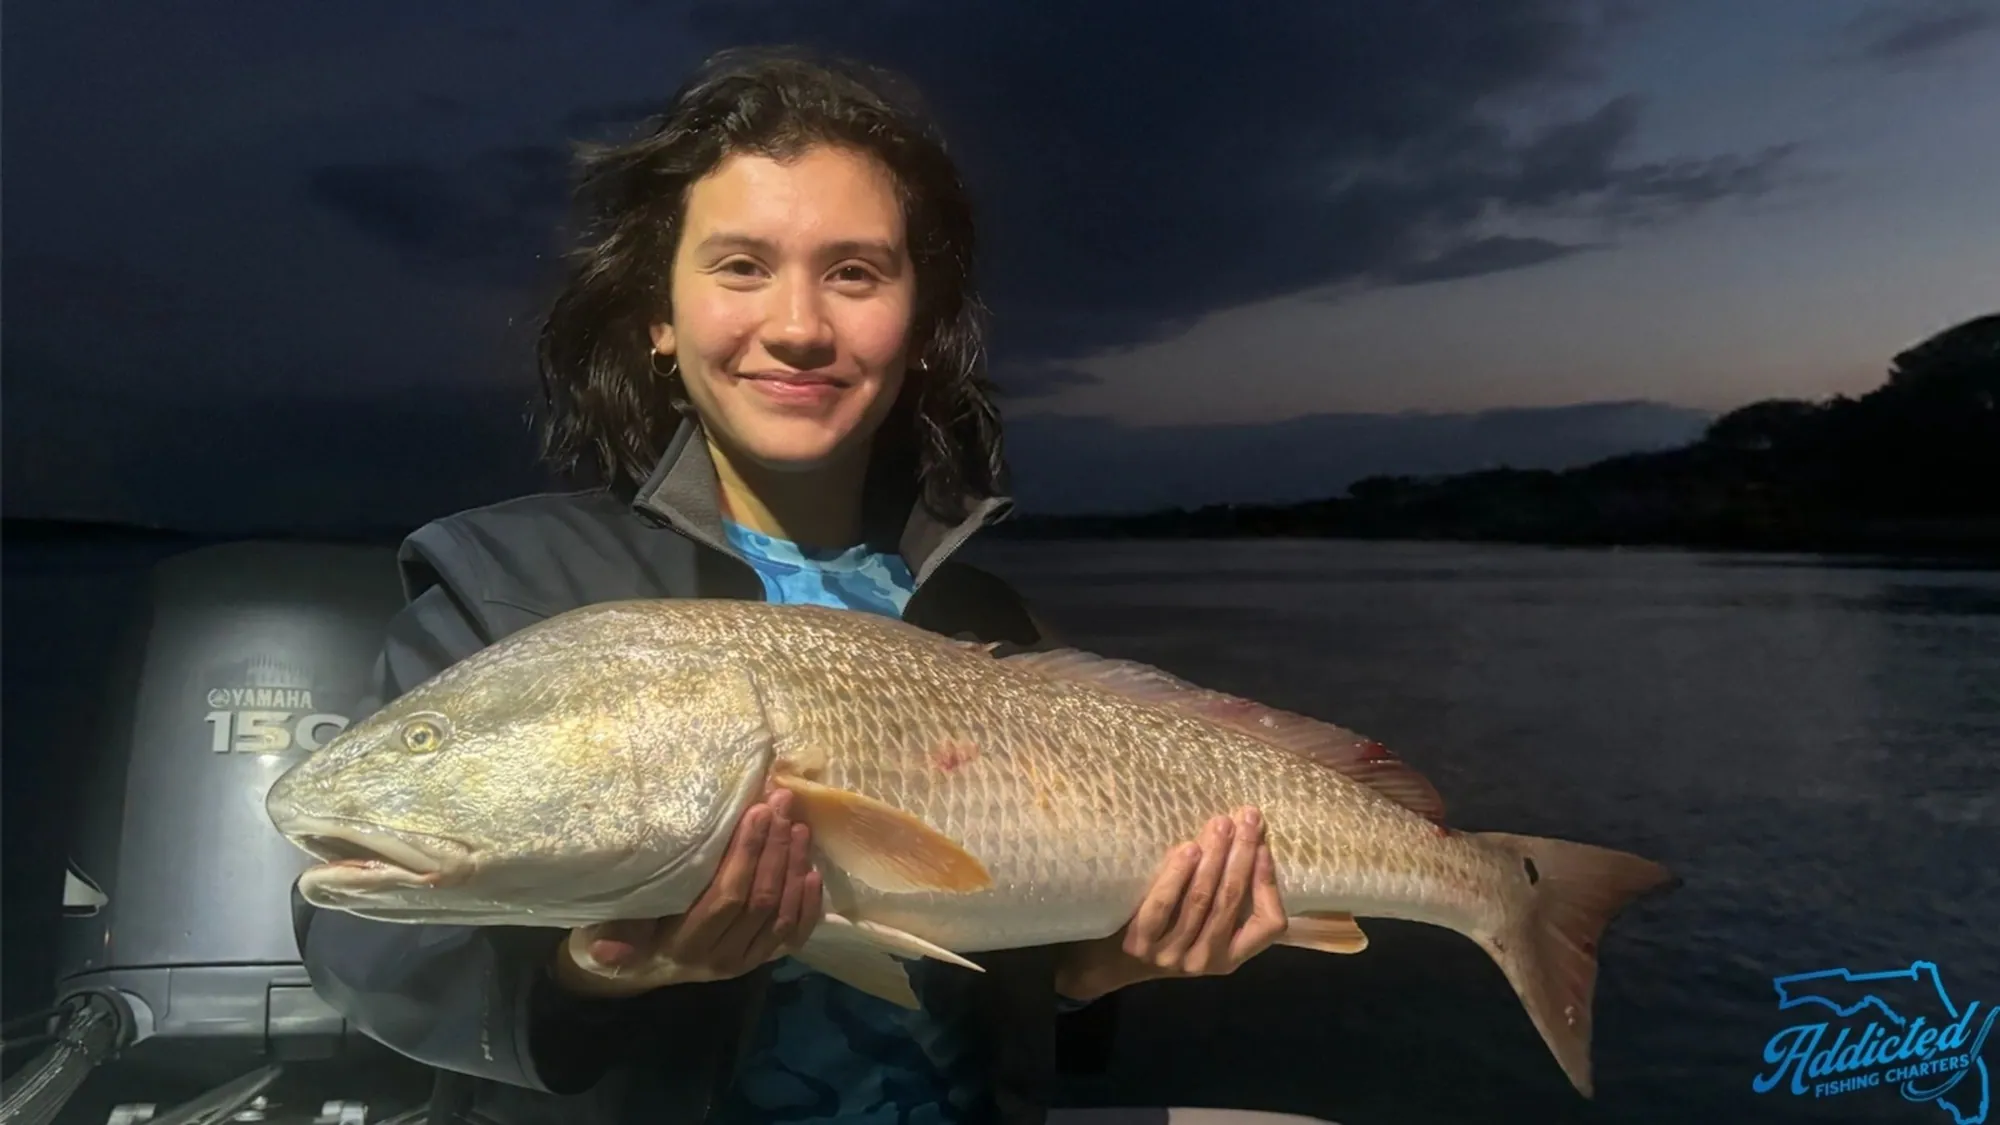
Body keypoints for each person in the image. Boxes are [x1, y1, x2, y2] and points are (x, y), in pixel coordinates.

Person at [294, 45, 1290, 1125]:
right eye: (739, 266)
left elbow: (1004, 982)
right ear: (658, 318)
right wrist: (600, 970)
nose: (798, 324)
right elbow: (366, 947)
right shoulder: (507, 585)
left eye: (854, 271)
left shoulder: (983, 623)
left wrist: (1103, 970)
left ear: (914, 328)